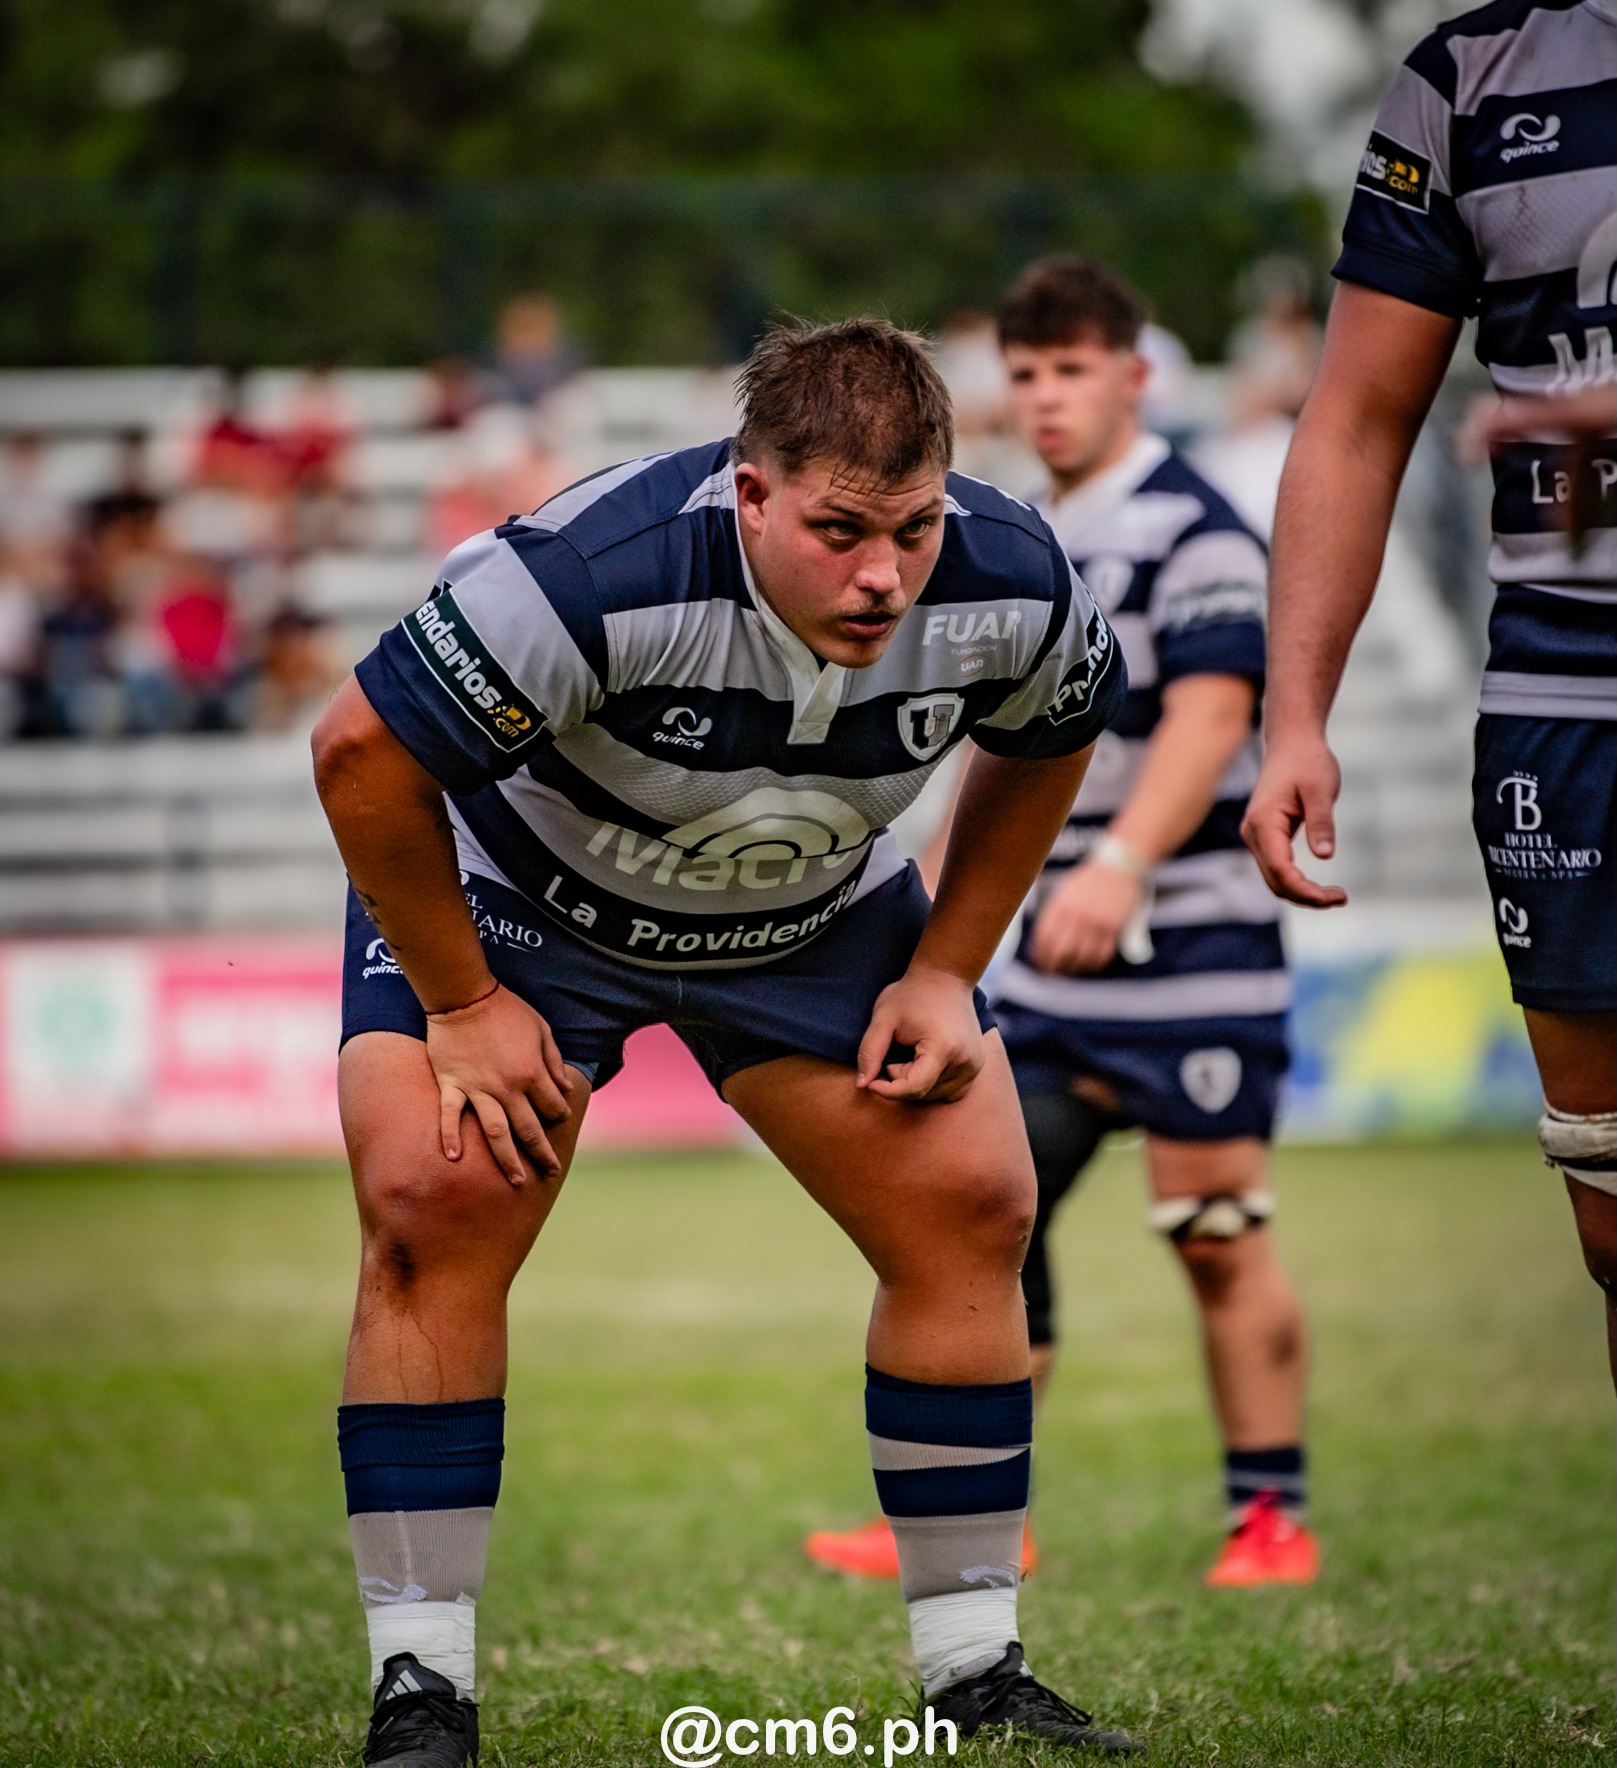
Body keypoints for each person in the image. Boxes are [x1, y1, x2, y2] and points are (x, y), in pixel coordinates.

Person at [312, 318, 1143, 1764]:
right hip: (529, 901)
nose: (882, 574)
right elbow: (359, 751)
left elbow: (1050, 731)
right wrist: (462, 1006)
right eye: (838, 530)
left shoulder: (1014, 576)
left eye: (912, 527)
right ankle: (421, 1687)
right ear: (747, 494)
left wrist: (949, 964)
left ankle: (974, 1667)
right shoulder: (588, 577)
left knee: (971, 1201)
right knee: (434, 1196)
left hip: (810, 905)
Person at [804, 259, 1317, 1593]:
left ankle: (1270, 1518)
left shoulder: (1192, 527)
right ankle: (980, 1520)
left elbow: (1211, 712)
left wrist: (1123, 865)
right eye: (1024, 374)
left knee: (1214, 1229)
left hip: (1187, 937)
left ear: (1135, 376)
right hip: (1041, 959)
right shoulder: (1007, 534)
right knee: (980, 1205)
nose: (1042, 398)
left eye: (1071, 370)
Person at [1241, 0, 1616, 1376]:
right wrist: (1294, 718)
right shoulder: (1462, 78)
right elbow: (1351, 418)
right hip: (1560, 695)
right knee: (1607, 1218)